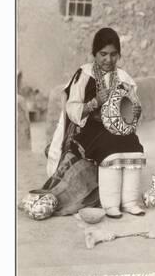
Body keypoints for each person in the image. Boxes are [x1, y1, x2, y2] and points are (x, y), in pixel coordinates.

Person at [45, 27, 146, 218]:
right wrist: (95, 103)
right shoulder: (84, 74)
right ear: (94, 53)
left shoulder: (124, 77)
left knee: (134, 145)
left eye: (114, 54)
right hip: (90, 128)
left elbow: (134, 108)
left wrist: (132, 109)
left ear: (119, 54)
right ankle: (111, 205)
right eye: (103, 54)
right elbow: (72, 109)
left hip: (117, 128)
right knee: (110, 146)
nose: (109, 60)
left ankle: (130, 202)